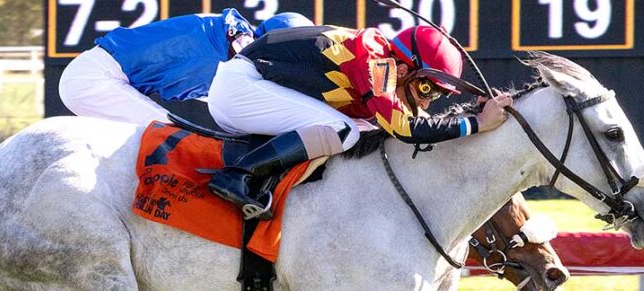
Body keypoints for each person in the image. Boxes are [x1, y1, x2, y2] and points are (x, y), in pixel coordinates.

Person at [206, 25, 514, 219]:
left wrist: (472, 119)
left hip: (250, 92)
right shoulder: (376, 63)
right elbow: (405, 128)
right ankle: (237, 176)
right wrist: (477, 124)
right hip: (239, 91)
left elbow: (418, 124)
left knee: (362, 129)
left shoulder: (385, 66)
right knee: (344, 131)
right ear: (404, 70)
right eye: (426, 89)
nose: (426, 102)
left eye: (436, 95)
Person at [60, 10, 311, 125]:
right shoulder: (231, 47)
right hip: (95, 80)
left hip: (96, 75)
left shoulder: (229, 33)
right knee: (171, 135)